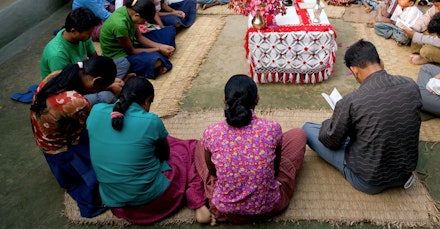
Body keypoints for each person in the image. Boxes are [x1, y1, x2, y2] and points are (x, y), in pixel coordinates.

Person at [302, 40, 421, 194]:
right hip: (404, 174)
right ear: (381, 63)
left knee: (308, 129)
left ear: (355, 71)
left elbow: (331, 141)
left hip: (369, 180)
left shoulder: (352, 100)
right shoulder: (411, 85)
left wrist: (331, 123)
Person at [87, 77, 210, 224]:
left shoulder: (95, 111)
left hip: (116, 203)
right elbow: (165, 155)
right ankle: (196, 198)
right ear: (147, 101)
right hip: (153, 201)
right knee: (187, 150)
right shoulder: (151, 120)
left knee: (162, 142)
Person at [195, 74, 307, 224]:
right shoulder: (272, 129)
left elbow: (213, 172)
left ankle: (214, 203)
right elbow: (275, 170)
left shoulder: (211, 132)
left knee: (199, 146)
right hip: (269, 207)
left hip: (225, 209)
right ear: (257, 100)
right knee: (298, 135)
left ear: (225, 100)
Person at [30, 56, 117, 218]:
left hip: (44, 137)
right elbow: (94, 128)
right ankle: (93, 202)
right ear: (96, 81)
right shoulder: (77, 103)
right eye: (100, 88)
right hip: (60, 147)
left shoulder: (59, 75)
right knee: (95, 179)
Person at [40, 7, 128, 104]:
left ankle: (108, 87)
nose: (90, 36)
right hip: (68, 92)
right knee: (106, 96)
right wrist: (107, 85)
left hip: (88, 77)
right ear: (73, 31)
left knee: (123, 62)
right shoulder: (57, 54)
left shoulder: (83, 38)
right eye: (88, 33)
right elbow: (67, 88)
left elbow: (96, 60)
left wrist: (107, 79)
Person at [100, 0, 176, 79]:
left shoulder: (130, 11)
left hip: (133, 43)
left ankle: (161, 56)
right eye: (144, 20)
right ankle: (158, 61)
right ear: (137, 15)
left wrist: (161, 46)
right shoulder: (120, 25)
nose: (144, 23)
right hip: (121, 55)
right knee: (156, 61)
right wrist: (158, 48)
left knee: (169, 31)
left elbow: (139, 37)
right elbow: (131, 51)